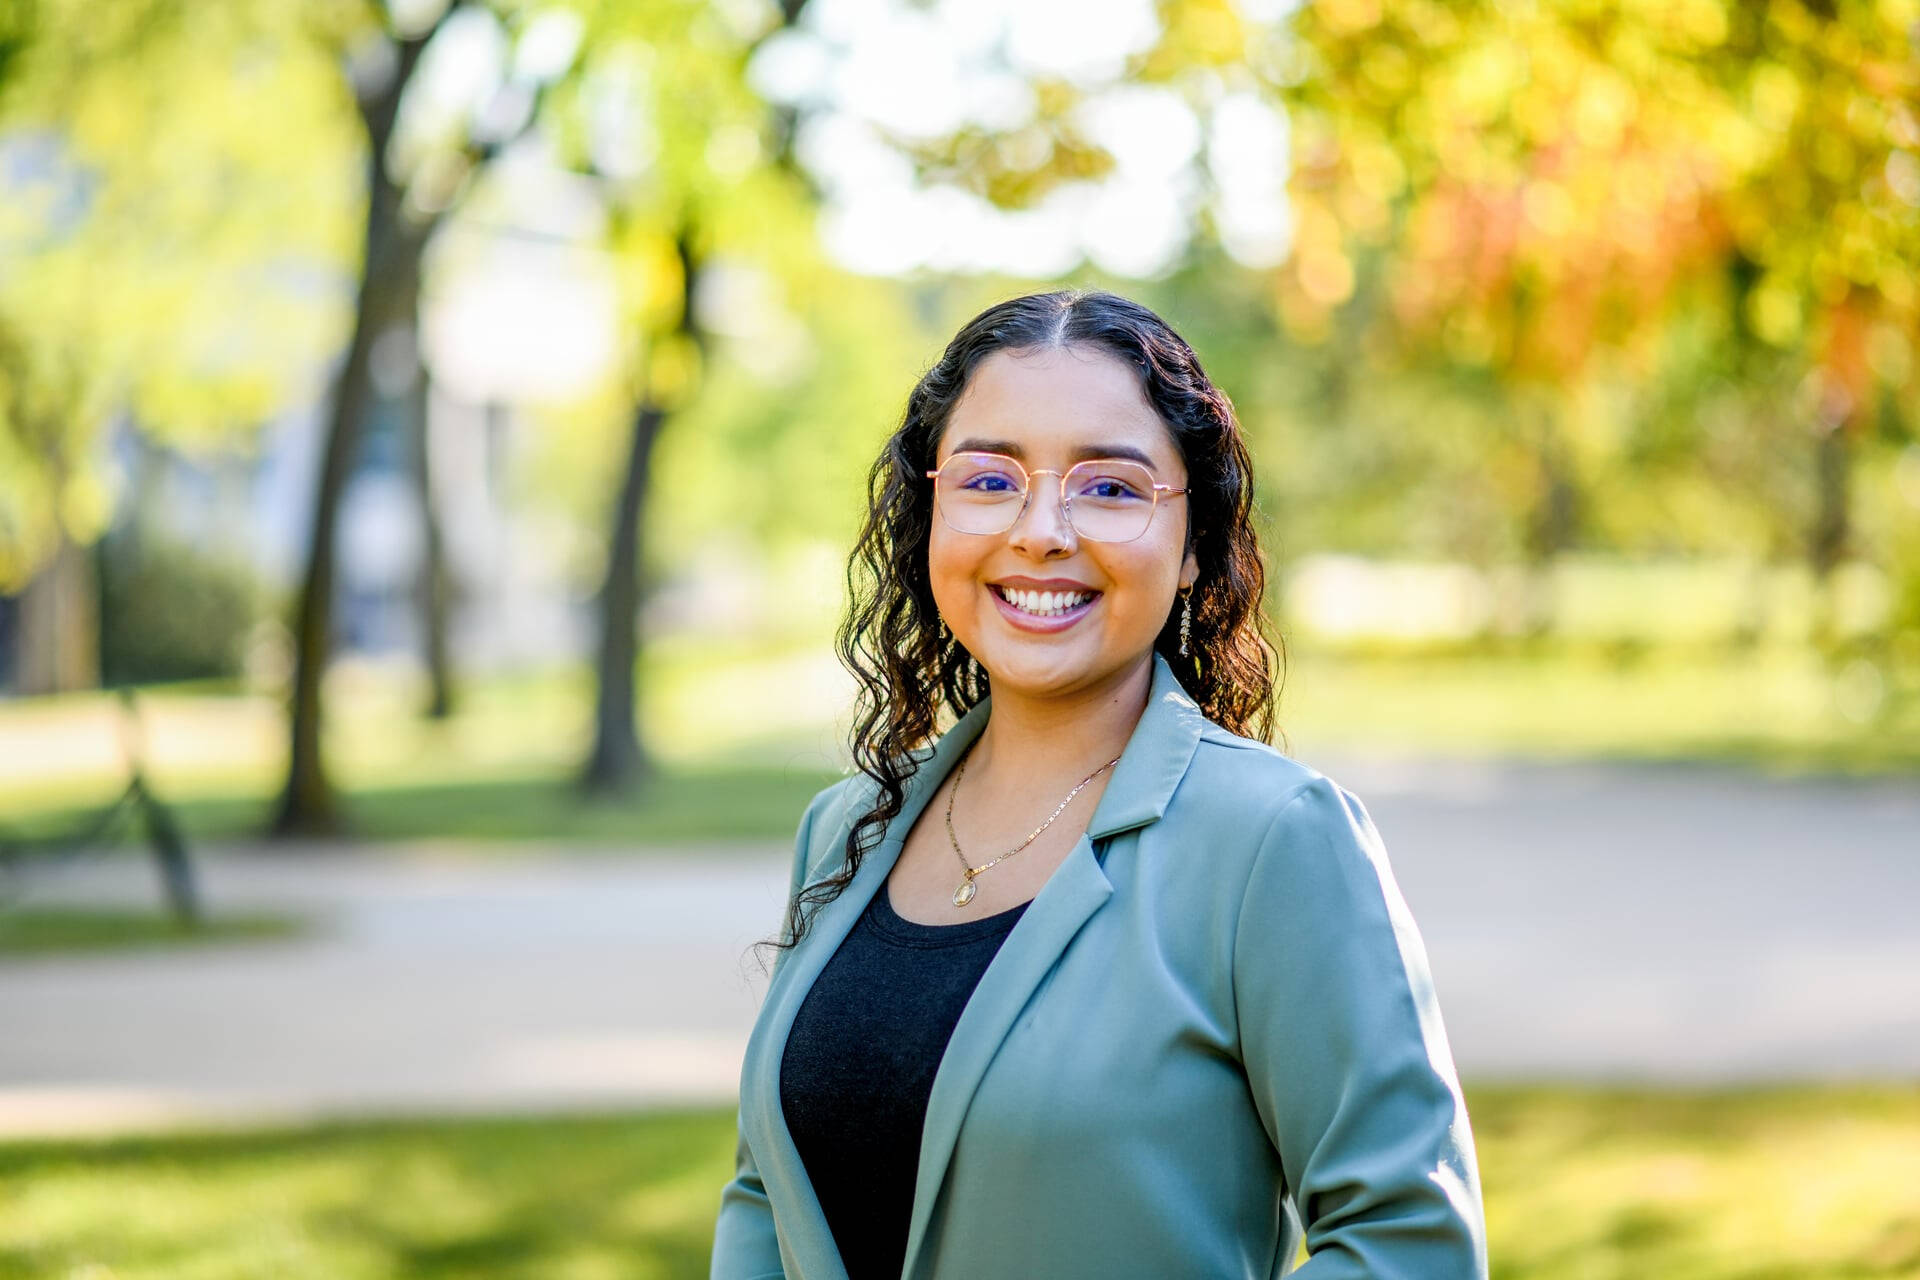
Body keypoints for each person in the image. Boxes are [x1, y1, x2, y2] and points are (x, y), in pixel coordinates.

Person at [711, 290, 1486, 1279]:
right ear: (933, 510)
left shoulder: (1275, 841)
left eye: (1110, 488)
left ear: (1194, 541)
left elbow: (1406, 1245)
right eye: (990, 478)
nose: (1041, 530)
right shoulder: (847, 827)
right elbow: (762, 1194)